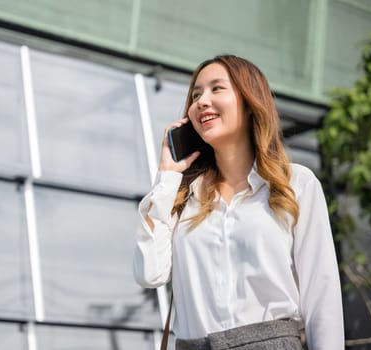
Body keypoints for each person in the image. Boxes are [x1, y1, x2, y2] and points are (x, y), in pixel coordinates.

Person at [133, 54, 344, 349]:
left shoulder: (294, 184)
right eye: (196, 95)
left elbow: (322, 296)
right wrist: (167, 177)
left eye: (217, 89)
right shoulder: (182, 196)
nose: (202, 101)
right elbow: (148, 274)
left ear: (249, 102)